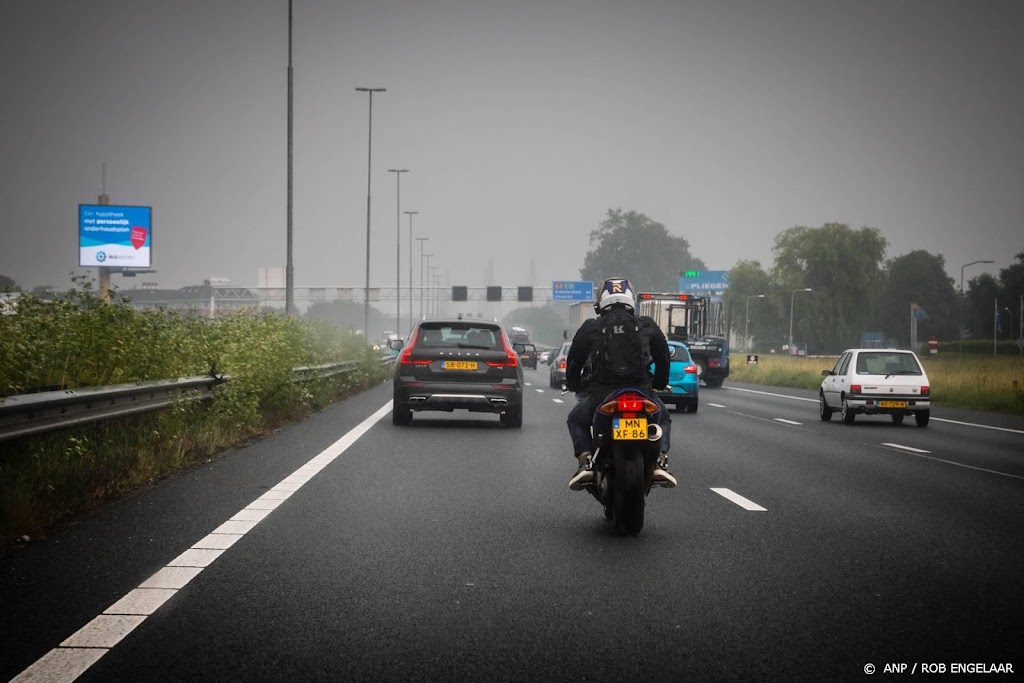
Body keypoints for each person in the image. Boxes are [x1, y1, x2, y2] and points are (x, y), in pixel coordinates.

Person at [564, 277, 677, 490]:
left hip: (602, 396)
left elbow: (574, 360)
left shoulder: (591, 326)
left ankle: (586, 461)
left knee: (575, 420)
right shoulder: (646, 324)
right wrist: (659, 384)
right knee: (664, 418)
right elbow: (663, 356)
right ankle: (660, 459)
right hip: (642, 393)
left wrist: (574, 384)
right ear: (630, 300)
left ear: (601, 302)